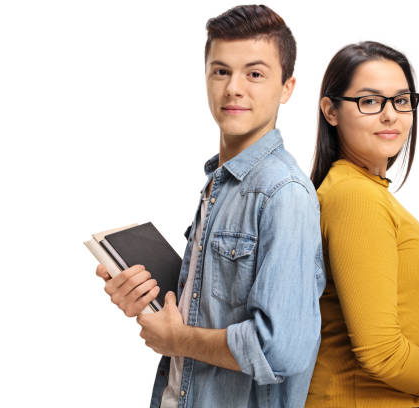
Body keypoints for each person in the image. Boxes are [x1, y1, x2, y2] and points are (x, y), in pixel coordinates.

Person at [95, 5, 325, 408]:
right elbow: (208, 306)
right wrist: (150, 302)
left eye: (255, 74)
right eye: (221, 71)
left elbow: (282, 348)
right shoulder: (220, 183)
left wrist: (177, 339)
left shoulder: (283, 193)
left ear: (287, 87)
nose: (234, 88)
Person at [305, 41, 419, 408]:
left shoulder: (365, 192)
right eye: (370, 101)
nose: (390, 115)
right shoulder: (356, 197)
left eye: (402, 100)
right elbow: (380, 352)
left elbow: (395, 313)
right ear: (331, 110)